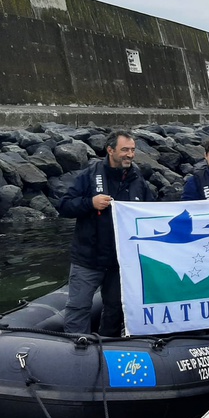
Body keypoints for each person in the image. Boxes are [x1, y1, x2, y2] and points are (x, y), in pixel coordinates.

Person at [59, 130, 153, 336]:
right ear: (110, 150)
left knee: (115, 310)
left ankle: (107, 348)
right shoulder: (89, 176)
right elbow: (64, 206)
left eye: (132, 150)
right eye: (125, 150)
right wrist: (90, 203)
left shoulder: (139, 181)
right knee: (78, 307)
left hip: (119, 262)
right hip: (87, 258)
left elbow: (152, 213)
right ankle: (76, 349)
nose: (130, 154)